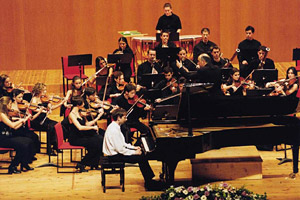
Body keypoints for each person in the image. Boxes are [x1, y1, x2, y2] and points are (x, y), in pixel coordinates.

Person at [103, 108, 161, 190]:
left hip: (116, 152)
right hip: (114, 156)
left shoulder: (115, 126)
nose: (126, 119)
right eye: (124, 117)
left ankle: (149, 180)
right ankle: (149, 183)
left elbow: (122, 144)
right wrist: (134, 152)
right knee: (141, 157)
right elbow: (121, 150)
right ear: (119, 118)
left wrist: (133, 147)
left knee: (141, 153)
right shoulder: (114, 130)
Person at [68, 96, 103, 171]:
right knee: (96, 143)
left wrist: (98, 117)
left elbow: (87, 124)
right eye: (83, 103)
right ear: (78, 104)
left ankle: (94, 164)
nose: (84, 104)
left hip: (82, 136)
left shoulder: (80, 112)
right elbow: (80, 127)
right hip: (76, 138)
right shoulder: (72, 114)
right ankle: (82, 163)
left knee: (100, 139)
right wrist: (93, 128)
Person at [0, 96, 34, 173]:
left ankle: (24, 163)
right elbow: (12, 125)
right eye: (10, 104)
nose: (11, 106)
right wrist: (21, 120)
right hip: (2, 139)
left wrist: (23, 120)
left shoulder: (5, 114)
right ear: (6, 105)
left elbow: (15, 127)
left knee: (29, 141)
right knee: (23, 145)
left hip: (7, 137)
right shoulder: (1, 114)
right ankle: (13, 166)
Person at [30, 82, 65, 154]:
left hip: (44, 119)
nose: (46, 92)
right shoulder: (34, 99)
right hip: (37, 121)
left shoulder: (43, 99)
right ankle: (49, 149)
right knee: (50, 127)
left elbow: (51, 108)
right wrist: (44, 111)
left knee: (57, 125)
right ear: (39, 91)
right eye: (44, 90)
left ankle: (55, 145)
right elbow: (34, 109)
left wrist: (60, 103)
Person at [10, 89, 41, 155]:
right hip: (16, 129)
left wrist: (37, 112)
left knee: (35, 136)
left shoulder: (23, 105)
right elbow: (11, 119)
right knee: (31, 137)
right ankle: (28, 156)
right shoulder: (11, 106)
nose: (21, 99)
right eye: (19, 97)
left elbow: (31, 118)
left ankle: (31, 154)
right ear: (13, 97)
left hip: (23, 127)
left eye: (22, 97)